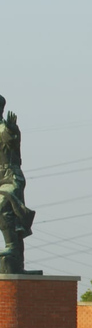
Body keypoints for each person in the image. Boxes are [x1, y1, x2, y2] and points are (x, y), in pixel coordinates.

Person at [0, 95, 35, 274]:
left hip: (11, 175)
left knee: (3, 205)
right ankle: (17, 260)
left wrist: (11, 129)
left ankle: (11, 245)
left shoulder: (6, 128)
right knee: (12, 219)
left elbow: (11, 139)